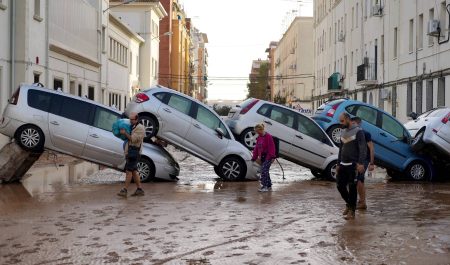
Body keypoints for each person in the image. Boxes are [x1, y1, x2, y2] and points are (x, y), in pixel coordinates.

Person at [336, 113, 367, 220]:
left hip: (353, 165)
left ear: (348, 119)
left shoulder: (359, 132)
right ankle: (349, 204)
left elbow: (363, 149)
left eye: (342, 121)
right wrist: (338, 163)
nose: (341, 124)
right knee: (340, 186)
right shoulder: (343, 132)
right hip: (343, 165)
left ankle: (352, 212)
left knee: (352, 188)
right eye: (340, 121)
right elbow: (341, 149)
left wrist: (361, 163)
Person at [118, 112, 146, 197]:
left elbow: (133, 139)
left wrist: (124, 133)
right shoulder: (132, 126)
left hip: (134, 153)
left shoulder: (140, 128)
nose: (130, 121)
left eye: (132, 119)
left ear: (137, 119)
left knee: (128, 171)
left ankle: (124, 190)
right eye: (129, 119)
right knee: (134, 171)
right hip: (130, 151)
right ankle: (139, 190)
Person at [351, 116, 375, 210]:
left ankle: (362, 203)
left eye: (354, 124)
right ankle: (361, 201)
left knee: (359, 180)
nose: (352, 125)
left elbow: (371, 148)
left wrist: (372, 163)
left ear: (359, 124)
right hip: (356, 159)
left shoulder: (365, 134)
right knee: (357, 181)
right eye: (351, 124)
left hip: (365, 159)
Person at [251, 123, 276, 192]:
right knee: (266, 171)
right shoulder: (259, 137)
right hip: (262, 157)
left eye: (258, 131)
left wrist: (272, 157)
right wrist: (254, 157)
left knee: (263, 171)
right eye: (256, 132)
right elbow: (256, 148)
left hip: (269, 156)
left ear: (261, 130)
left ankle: (264, 186)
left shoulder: (268, 136)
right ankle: (269, 185)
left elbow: (272, 148)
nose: (257, 133)